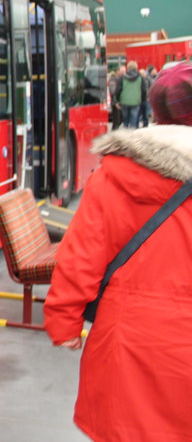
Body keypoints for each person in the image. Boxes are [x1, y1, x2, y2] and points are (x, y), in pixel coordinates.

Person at [44, 61, 192, 440]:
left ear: (155, 110)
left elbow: (80, 256)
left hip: (127, 343)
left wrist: (64, 322)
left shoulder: (114, 174)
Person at [110, 60, 147, 128]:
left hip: (124, 102)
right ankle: (133, 134)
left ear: (128, 67)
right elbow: (144, 90)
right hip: (136, 102)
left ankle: (126, 132)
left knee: (125, 120)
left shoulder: (122, 77)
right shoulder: (140, 78)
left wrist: (117, 100)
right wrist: (143, 100)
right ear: (136, 68)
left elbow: (118, 90)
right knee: (134, 120)